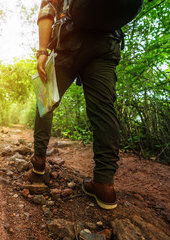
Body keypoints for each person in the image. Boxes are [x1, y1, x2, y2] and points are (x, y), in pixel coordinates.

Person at [28, 0, 139, 210]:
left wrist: (42, 52)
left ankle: (39, 163)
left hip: (68, 42)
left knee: (46, 101)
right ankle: (104, 184)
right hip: (106, 44)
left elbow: (47, 12)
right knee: (104, 111)